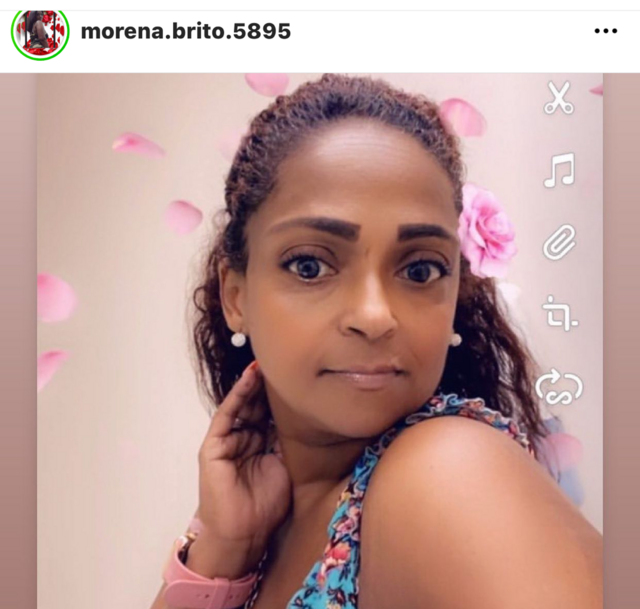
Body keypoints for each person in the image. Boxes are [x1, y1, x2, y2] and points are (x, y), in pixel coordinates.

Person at [150, 74, 603, 609]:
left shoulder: (447, 473)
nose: (374, 315)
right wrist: (224, 555)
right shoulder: (257, 519)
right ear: (236, 296)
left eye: (419, 270)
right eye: (310, 265)